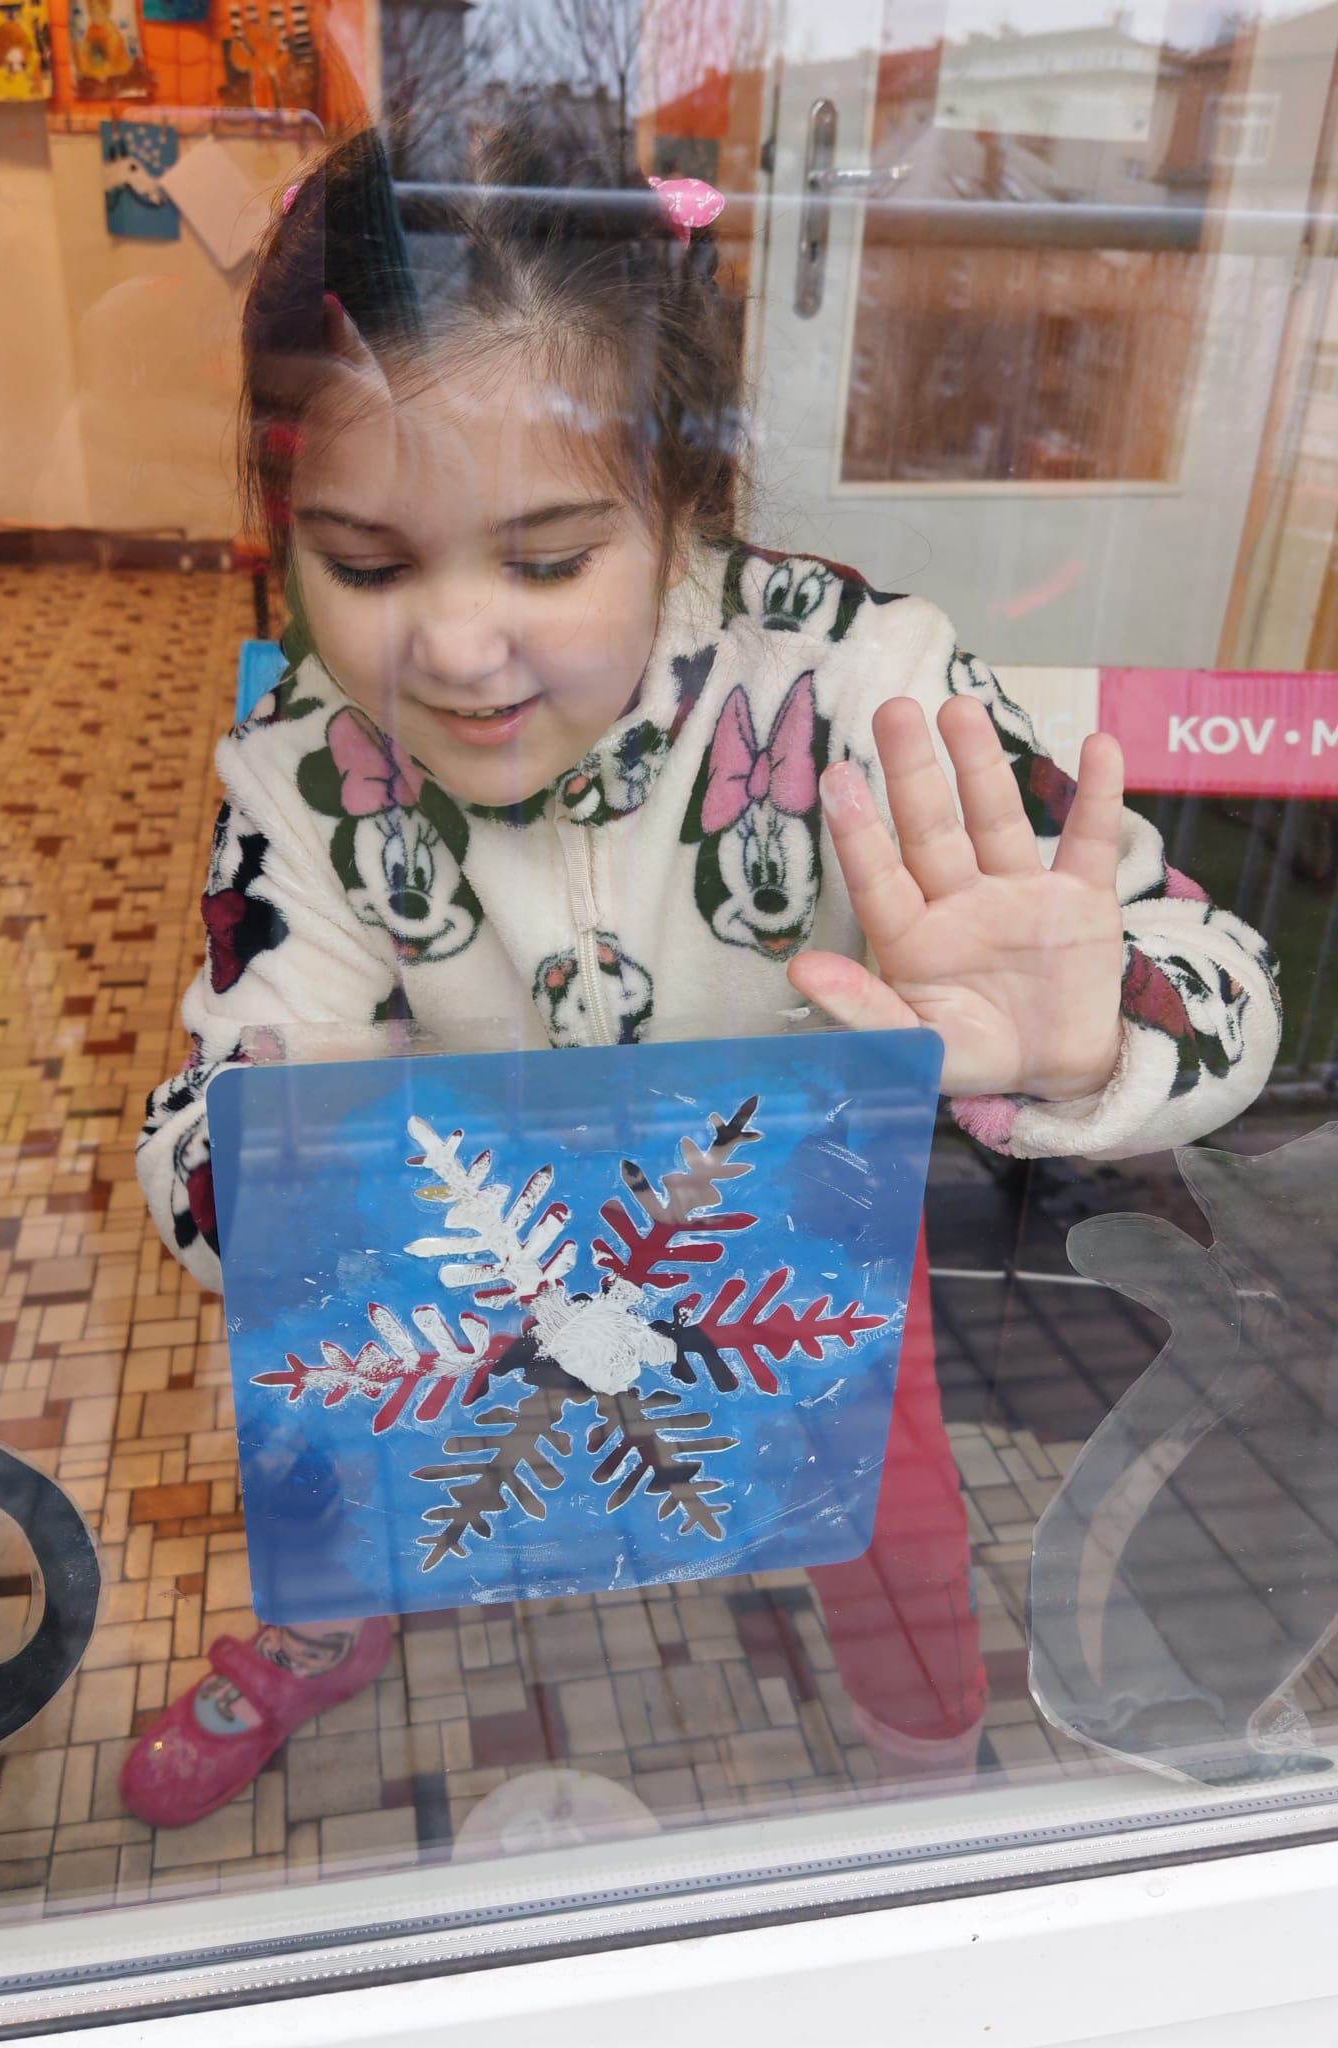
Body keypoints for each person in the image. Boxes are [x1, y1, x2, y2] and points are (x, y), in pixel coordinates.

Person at [120, 123, 1279, 1828]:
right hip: (456, 1257)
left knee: (896, 1528)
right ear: (286, 527)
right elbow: (190, 1135)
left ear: (679, 503)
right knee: (332, 1434)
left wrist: (1091, 1036)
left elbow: (1221, 973)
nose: (454, 648)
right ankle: (326, 1622)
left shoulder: (859, 675)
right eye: (364, 565)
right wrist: (283, 1175)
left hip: (803, 1242)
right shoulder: (302, 765)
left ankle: (923, 1772)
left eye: (545, 559)